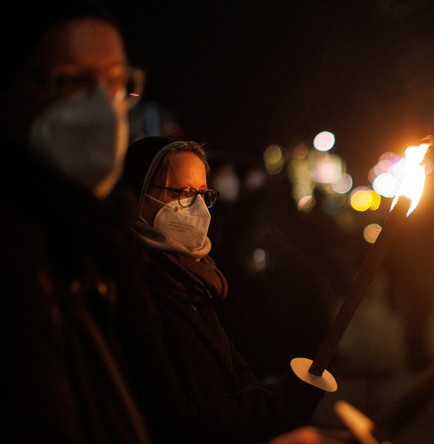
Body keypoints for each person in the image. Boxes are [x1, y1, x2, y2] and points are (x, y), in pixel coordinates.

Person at [0, 2, 152, 442]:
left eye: (117, 81)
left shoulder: (87, 253)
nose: (101, 106)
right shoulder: (16, 265)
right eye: (68, 80)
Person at [113, 136, 326, 443]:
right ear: (138, 195)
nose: (198, 206)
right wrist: (279, 401)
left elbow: (235, 370)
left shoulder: (195, 279)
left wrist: (276, 402)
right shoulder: (134, 291)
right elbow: (172, 421)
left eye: (202, 193)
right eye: (184, 192)